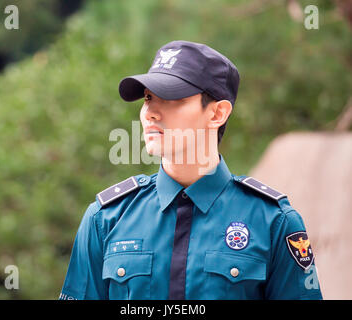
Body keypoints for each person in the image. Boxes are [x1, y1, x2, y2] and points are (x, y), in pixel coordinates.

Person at [59, 40, 323, 300]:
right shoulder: (105, 219)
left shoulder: (274, 223)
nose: (150, 112)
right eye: (149, 98)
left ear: (217, 113)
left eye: (171, 97)